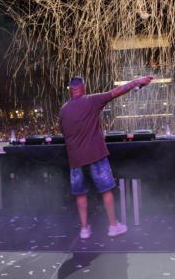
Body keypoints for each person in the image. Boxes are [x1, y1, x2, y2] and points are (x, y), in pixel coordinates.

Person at [59, 75, 153, 239]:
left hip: (75, 159)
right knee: (106, 190)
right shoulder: (92, 101)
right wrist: (137, 81)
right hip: (96, 154)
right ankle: (113, 226)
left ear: (70, 90)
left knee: (80, 194)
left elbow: (64, 131)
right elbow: (116, 92)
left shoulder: (63, 109)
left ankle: (84, 230)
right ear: (84, 87)